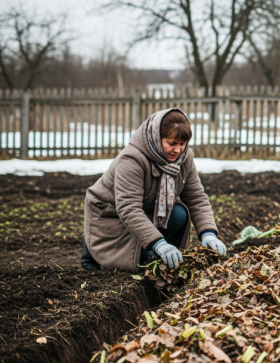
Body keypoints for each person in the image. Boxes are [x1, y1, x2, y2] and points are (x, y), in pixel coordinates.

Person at [80, 108, 227, 272]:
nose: (178, 150)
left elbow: (196, 197)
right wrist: (159, 243)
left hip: (147, 209)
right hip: (111, 215)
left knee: (179, 214)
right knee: (139, 263)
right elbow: (129, 208)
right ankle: (92, 247)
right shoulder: (132, 159)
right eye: (172, 144)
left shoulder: (184, 158)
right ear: (157, 139)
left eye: (182, 144)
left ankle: (151, 252)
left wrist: (208, 233)